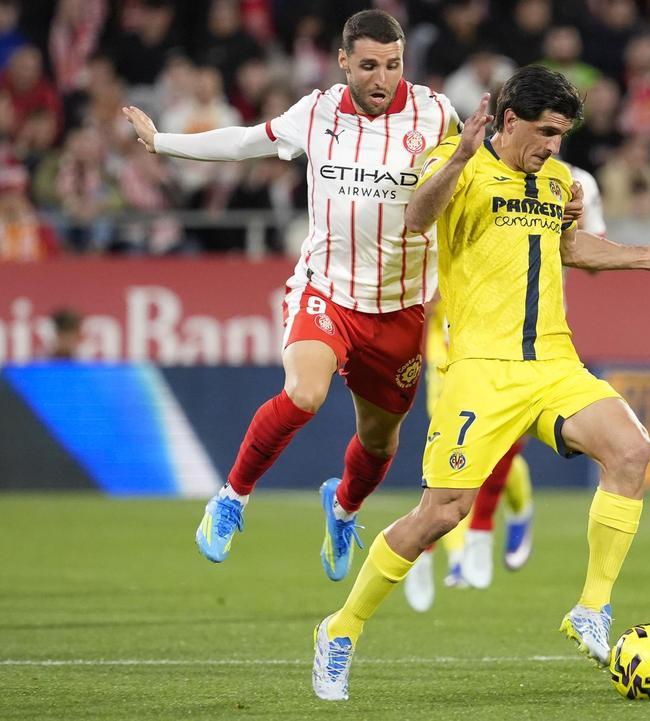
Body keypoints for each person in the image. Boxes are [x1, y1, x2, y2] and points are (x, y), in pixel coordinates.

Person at [311, 65, 650, 701]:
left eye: (562, 135)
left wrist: (645, 258)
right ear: (508, 120)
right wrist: (461, 156)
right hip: (482, 370)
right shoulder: (460, 162)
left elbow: (570, 248)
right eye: (546, 131)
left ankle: (591, 608)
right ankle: (340, 629)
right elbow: (416, 219)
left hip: (553, 361)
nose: (554, 146)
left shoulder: (556, 181)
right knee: (441, 514)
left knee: (632, 450)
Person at [122, 10, 462, 582]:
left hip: (402, 305)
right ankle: (231, 497)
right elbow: (246, 141)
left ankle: (343, 508)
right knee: (304, 393)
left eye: (394, 64)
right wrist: (164, 143)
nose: (383, 79)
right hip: (326, 291)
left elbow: (479, 177)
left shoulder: (436, 113)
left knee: (379, 444)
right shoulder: (319, 111)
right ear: (344, 63)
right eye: (371, 66)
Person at [402, 160, 606, 610]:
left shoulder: (575, 180)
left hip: (537, 333)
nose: (551, 138)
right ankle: (441, 547)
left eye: (559, 129)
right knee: (453, 446)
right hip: (459, 332)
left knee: (501, 443)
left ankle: (483, 527)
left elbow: (586, 255)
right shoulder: (467, 169)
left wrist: (579, 224)